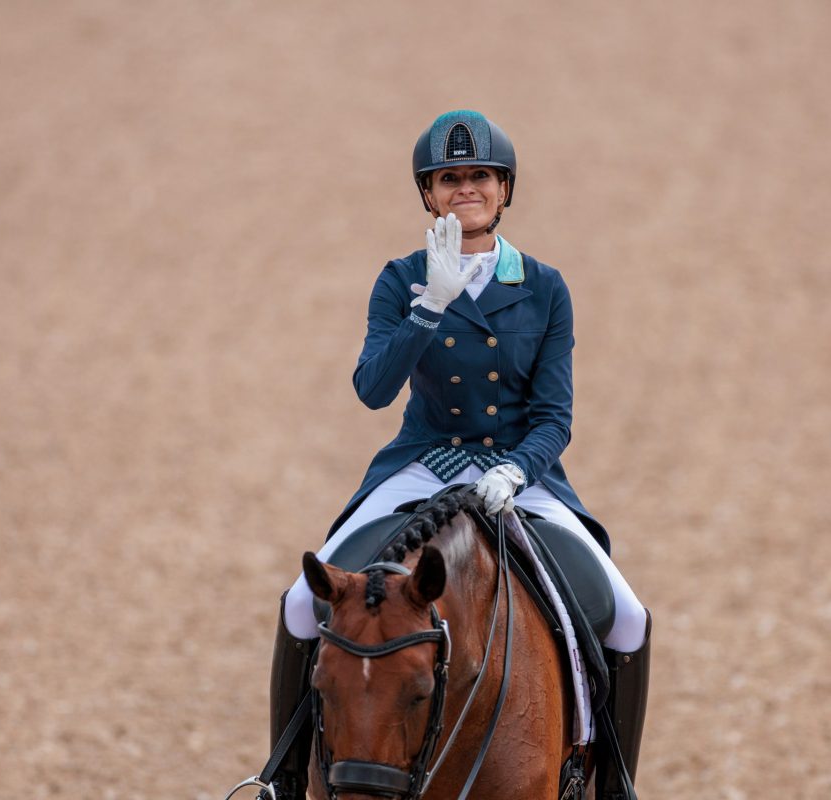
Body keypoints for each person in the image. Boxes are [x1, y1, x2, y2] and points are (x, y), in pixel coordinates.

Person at [266, 110, 651, 800]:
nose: (464, 189)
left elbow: (553, 415)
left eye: (478, 177)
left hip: (516, 473)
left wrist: (516, 468)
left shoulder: (543, 287)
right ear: (428, 194)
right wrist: (428, 306)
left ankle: (612, 785)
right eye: (449, 179)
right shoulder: (400, 278)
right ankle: (284, 782)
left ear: (503, 189)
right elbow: (372, 389)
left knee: (625, 614)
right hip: (422, 461)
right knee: (302, 602)